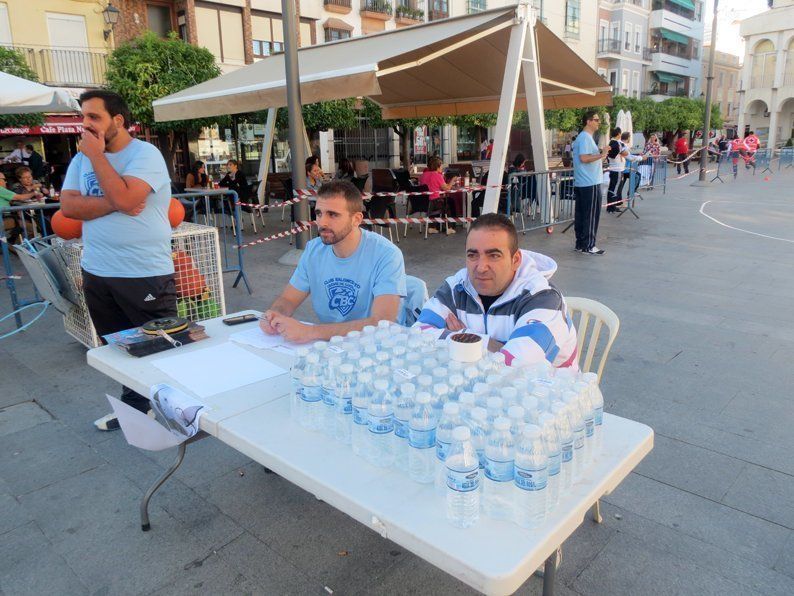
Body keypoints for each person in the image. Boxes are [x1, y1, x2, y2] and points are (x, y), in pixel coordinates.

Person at [59, 90, 175, 431]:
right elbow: (68, 208)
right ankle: (136, 409)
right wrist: (116, 202)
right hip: (98, 270)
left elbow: (127, 197)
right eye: (83, 117)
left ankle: (178, 411)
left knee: (161, 348)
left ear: (118, 121)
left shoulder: (145, 155)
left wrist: (97, 158)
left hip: (145, 273)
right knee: (121, 349)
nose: (86, 124)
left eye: (94, 117)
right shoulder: (80, 160)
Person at [415, 213, 577, 368]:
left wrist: (464, 337)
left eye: (493, 255)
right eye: (473, 255)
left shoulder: (543, 298)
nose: (481, 267)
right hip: (476, 387)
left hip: (547, 392)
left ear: (515, 260)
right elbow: (417, 337)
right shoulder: (456, 287)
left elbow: (517, 366)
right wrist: (495, 346)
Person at [259, 179, 407, 343]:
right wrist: (275, 314)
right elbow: (288, 299)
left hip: (377, 348)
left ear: (356, 219)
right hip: (331, 347)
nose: (322, 222)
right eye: (319, 213)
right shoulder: (313, 250)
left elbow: (381, 323)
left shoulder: (386, 254)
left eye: (333, 214)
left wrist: (310, 332)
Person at [572, 110, 608, 255]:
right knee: (591, 215)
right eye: (596, 120)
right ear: (588, 121)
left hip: (583, 181)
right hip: (590, 182)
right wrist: (602, 154)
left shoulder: (583, 138)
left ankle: (581, 243)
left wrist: (601, 153)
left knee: (582, 214)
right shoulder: (585, 137)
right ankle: (589, 245)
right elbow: (584, 158)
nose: (598, 122)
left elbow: (585, 157)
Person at [419, 156, 459, 235]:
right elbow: (447, 188)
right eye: (441, 165)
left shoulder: (423, 175)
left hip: (423, 203)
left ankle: (432, 227)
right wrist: (452, 180)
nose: (442, 167)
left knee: (442, 200)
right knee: (449, 202)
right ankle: (449, 227)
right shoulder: (437, 176)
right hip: (434, 203)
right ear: (437, 166)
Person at [0, 172, 39, 243]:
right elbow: (20, 197)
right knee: (33, 227)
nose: (6, 182)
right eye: (4, 179)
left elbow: (11, 200)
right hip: (4, 219)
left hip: (7, 217)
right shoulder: (1, 189)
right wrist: (35, 193)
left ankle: (13, 245)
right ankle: (16, 248)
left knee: (25, 224)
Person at [606, 127, 628, 213]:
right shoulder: (617, 144)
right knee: (615, 188)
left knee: (612, 187)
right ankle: (611, 207)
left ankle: (611, 206)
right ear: (619, 134)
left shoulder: (611, 143)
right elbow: (626, 153)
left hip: (613, 168)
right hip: (617, 169)